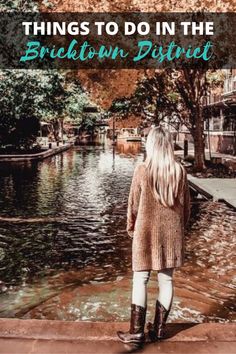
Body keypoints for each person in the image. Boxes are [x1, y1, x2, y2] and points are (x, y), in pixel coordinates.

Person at [117, 126, 190, 345]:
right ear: (168, 145)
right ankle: (159, 330)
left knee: (140, 279)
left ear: (150, 144)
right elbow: (187, 208)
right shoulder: (180, 171)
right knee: (166, 280)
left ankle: (137, 332)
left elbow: (133, 204)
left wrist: (131, 228)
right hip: (172, 234)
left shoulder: (142, 169)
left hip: (145, 232)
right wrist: (179, 229)